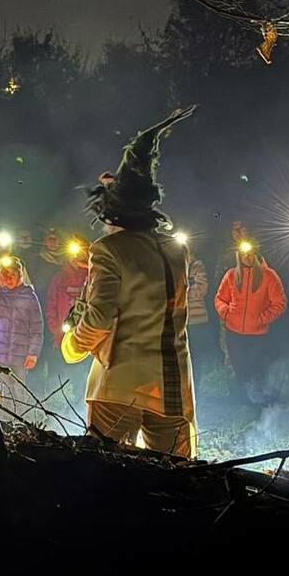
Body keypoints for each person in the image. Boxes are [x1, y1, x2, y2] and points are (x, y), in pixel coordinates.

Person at [61, 107, 197, 457]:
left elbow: (99, 319)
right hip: (173, 385)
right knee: (179, 481)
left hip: (119, 385)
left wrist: (72, 346)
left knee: (105, 472)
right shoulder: (175, 250)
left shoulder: (108, 249)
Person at [214, 239, 287, 406]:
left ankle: (262, 405)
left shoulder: (269, 276)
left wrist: (262, 319)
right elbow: (220, 298)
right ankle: (242, 403)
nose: (246, 257)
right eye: (243, 254)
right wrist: (227, 314)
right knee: (240, 368)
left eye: (250, 253)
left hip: (258, 335)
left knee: (258, 370)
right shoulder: (232, 275)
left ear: (256, 253)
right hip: (234, 333)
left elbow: (279, 303)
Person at [0, 255, 44, 408]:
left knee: (19, 391)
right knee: (2, 391)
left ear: (20, 275)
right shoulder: (0, 294)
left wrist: (33, 353)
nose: (9, 278)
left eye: (12, 274)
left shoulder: (29, 297)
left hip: (20, 355)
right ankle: (3, 423)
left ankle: (19, 421)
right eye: (5, 274)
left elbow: (37, 328)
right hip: (0, 353)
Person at [44, 238, 89, 406]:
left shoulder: (93, 276)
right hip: (62, 335)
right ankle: (57, 405)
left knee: (80, 374)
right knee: (58, 373)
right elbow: (51, 305)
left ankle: (78, 406)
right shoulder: (59, 277)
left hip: (85, 335)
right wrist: (55, 330)